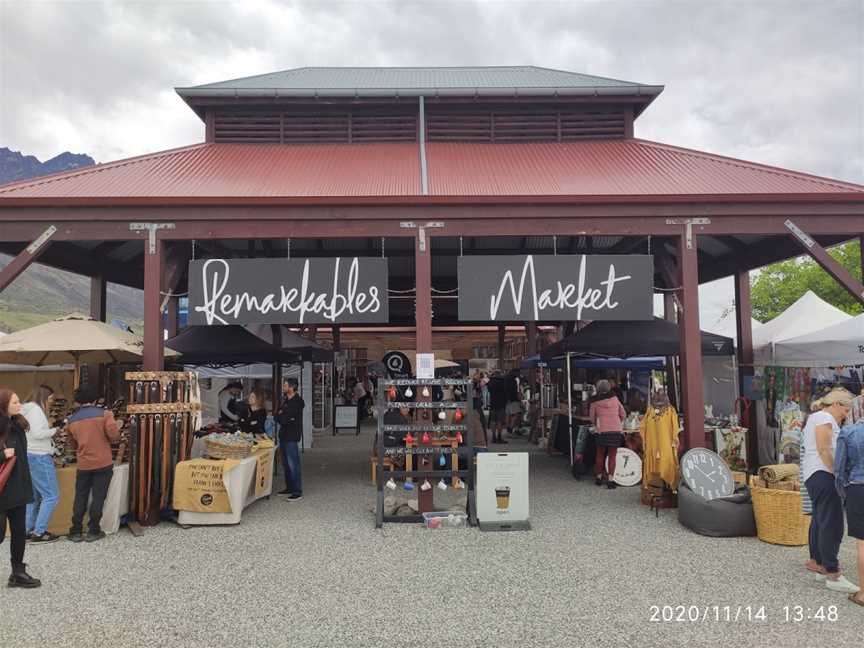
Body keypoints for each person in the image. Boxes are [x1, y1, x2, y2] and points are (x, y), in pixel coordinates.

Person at [802, 388, 859, 594]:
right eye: (846, 409)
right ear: (836, 404)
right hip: (823, 473)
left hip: (814, 473)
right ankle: (832, 573)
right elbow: (824, 449)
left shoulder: (817, 416)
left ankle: (819, 564)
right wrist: (838, 474)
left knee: (820, 519)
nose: (846, 414)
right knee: (832, 522)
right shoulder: (825, 418)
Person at [66, 383, 121, 543]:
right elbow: (114, 436)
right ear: (95, 399)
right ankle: (93, 530)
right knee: (98, 496)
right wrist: (117, 428)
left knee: (80, 496)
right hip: (103, 461)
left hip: (83, 463)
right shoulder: (105, 414)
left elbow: (72, 444)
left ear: (78, 400)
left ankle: (76, 530)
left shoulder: (71, 420)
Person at [0, 391, 41, 588]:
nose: (19, 405)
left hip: (18, 489)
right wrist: (1, 455)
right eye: (15, 402)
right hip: (2, 491)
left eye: (19, 401)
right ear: (4, 404)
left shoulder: (17, 424)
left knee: (18, 532)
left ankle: (18, 572)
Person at [22, 385, 60, 543]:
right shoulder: (37, 411)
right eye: (51, 398)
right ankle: (39, 532)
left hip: (29, 454)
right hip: (40, 456)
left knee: (33, 497)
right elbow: (38, 433)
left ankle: (27, 530)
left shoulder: (25, 409)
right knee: (51, 496)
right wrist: (55, 430)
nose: (52, 402)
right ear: (44, 396)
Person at [835, 418, 864, 606]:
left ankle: (863, 594)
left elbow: (839, 469)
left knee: (862, 544)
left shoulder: (849, 432)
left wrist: (843, 492)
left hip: (858, 488)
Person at [589, 379, 626, 490]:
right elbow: (623, 414)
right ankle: (610, 479)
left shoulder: (595, 401)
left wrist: (597, 423)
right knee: (612, 455)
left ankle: (599, 477)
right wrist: (617, 421)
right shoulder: (615, 399)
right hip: (615, 430)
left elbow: (591, 417)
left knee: (600, 454)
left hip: (602, 430)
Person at [276, 378, 305, 501]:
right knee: (286, 464)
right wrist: (282, 415)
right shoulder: (286, 401)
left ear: (292, 388)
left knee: (293, 464)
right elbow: (278, 416)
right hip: (283, 435)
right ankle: (289, 487)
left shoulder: (297, 402)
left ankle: (297, 491)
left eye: (285, 385)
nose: (283, 387)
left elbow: (283, 418)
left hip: (292, 436)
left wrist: (282, 416)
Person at [487, 371, 509, 444]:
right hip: (501, 403)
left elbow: (488, 389)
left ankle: (493, 436)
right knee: (500, 421)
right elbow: (506, 392)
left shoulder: (491, 382)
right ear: (500, 374)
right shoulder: (503, 382)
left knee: (493, 421)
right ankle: (499, 436)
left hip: (493, 403)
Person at [505, 369, 523, 436]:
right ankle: (511, 428)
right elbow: (514, 391)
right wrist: (519, 399)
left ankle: (512, 428)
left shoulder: (506, 378)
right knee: (516, 414)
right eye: (518, 373)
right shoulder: (512, 380)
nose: (519, 374)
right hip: (513, 399)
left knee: (509, 415)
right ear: (515, 372)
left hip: (507, 400)